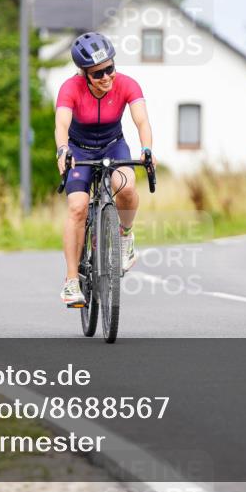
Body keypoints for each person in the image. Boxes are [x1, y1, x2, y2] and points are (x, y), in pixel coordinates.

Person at [55, 31, 155, 306]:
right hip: (79, 149)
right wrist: (63, 150)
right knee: (77, 206)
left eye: (110, 68)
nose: (107, 77)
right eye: (98, 74)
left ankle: (125, 234)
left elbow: (142, 121)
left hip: (113, 145)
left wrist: (146, 149)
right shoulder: (70, 88)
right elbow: (61, 124)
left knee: (125, 185)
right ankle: (72, 280)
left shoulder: (127, 84)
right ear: (84, 73)